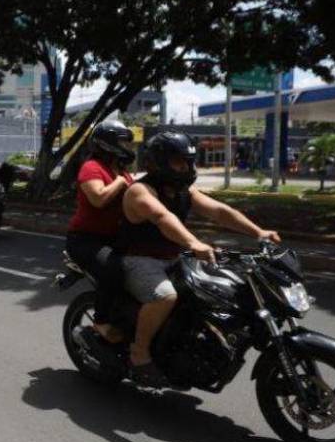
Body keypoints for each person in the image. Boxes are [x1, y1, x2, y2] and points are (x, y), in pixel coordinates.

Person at [119, 131, 280, 385]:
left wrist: (258, 232)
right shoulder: (140, 191)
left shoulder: (183, 191)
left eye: (188, 161)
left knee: (215, 291)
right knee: (165, 296)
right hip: (140, 260)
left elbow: (220, 212)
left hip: (174, 258)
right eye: (178, 161)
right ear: (158, 162)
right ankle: (139, 354)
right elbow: (163, 218)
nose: (186, 167)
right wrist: (194, 242)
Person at [65, 121, 136, 347]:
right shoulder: (92, 167)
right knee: (113, 266)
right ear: (109, 144)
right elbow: (99, 198)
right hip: (86, 239)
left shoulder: (122, 171)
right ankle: (102, 320)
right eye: (123, 141)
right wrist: (121, 182)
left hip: (117, 236)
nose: (127, 146)